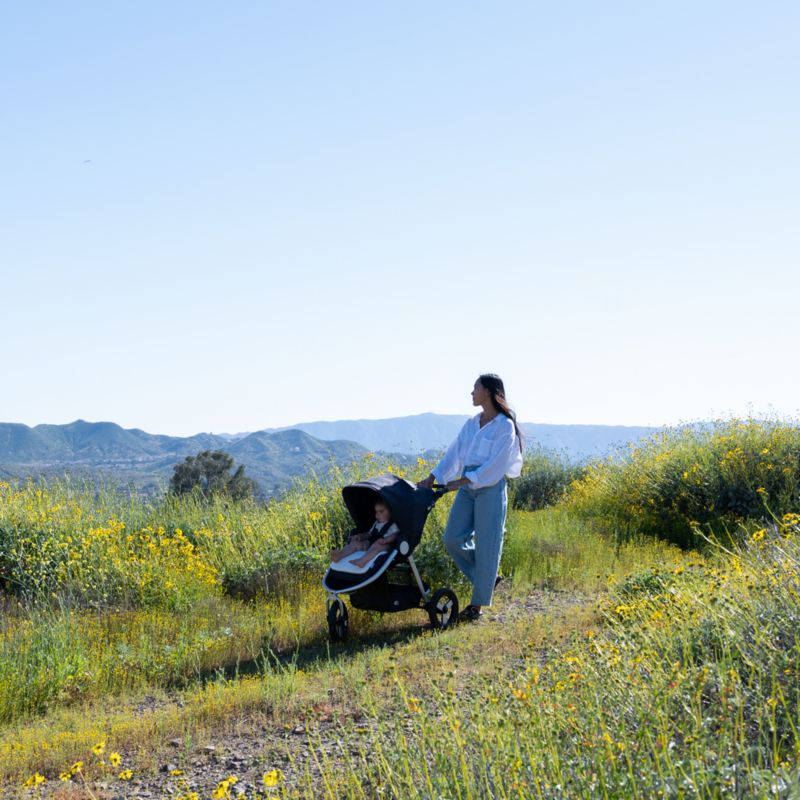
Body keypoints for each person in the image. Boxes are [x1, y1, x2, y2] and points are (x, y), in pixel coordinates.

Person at [418, 374, 523, 621]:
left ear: (487, 391)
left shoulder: (504, 426)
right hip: (466, 486)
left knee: (488, 544)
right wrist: (433, 477)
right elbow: (454, 453)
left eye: (475, 388)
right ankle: (487, 577)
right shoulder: (471, 423)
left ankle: (476, 606)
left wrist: (463, 480)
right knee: (452, 538)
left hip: (490, 487)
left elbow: (496, 466)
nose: (471, 392)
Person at [330, 499, 399, 565]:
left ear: (390, 511)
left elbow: (395, 535)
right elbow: (369, 534)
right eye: (376, 512)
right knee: (355, 543)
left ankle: (362, 561)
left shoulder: (394, 525)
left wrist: (386, 540)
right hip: (371, 542)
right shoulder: (376, 523)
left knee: (377, 546)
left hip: (385, 545)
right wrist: (360, 536)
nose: (377, 514)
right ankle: (340, 554)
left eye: (381, 511)